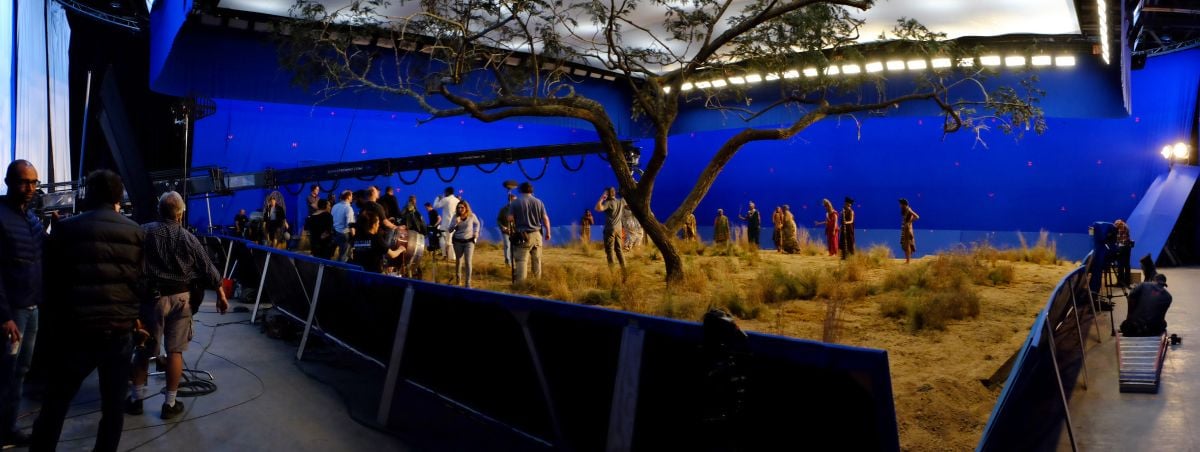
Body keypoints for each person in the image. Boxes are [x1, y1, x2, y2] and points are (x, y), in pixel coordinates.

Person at [31, 169, 143, 452]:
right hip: (118, 333)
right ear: (119, 196)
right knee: (113, 408)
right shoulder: (136, 232)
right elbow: (140, 283)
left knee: (56, 403)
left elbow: (52, 284)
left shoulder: (67, 230)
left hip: (75, 333)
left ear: (88, 194)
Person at [127, 191, 230, 422]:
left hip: (152, 300)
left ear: (159, 210)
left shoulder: (144, 231)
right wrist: (221, 293)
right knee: (175, 351)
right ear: (180, 215)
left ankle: (135, 401)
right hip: (181, 299)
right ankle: (170, 404)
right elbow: (208, 268)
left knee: (143, 349)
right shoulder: (188, 238)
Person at [0, 160, 45, 448]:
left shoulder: (31, 219)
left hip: (31, 309)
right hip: (10, 313)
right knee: (4, 374)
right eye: (23, 182)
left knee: (19, 373)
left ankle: (7, 428)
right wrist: (4, 315)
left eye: (34, 182)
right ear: (8, 182)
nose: (30, 188)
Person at [507, 182, 551, 284]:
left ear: (520, 190)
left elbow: (510, 219)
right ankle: (537, 284)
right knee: (536, 260)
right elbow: (545, 218)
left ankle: (521, 285)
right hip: (537, 235)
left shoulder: (515, 202)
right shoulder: (539, 202)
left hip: (523, 235)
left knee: (522, 260)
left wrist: (511, 213)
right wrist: (548, 232)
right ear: (531, 190)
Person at [449, 201, 481, 287]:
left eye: (462, 207)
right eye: (458, 208)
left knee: (468, 261)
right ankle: (458, 281)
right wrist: (456, 223)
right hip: (458, 241)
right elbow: (450, 230)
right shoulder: (455, 217)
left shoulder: (471, 216)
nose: (460, 209)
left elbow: (477, 223)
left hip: (469, 241)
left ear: (466, 208)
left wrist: (476, 232)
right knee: (459, 261)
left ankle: (468, 283)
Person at [594, 187, 626, 269]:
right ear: (614, 193)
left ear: (607, 194)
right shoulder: (621, 201)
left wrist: (601, 199)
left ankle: (612, 273)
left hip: (610, 229)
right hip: (619, 228)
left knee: (610, 251)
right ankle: (624, 269)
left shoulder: (608, 203)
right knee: (619, 250)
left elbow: (598, 208)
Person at [433, 187, 460, 261]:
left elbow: (435, 206)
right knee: (451, 241)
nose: (444, 193)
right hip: (454, 224)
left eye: (445, 192)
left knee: (442, 239)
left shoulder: (446, 199)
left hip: (445, 224)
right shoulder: (457, 201)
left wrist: (438, 198)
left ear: (447, 192)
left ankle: (445, 255)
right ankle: (453, 257)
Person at [331, 190, 355, 262]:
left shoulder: (335, 206)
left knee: (337, 255)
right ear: (348, 197)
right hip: (344, 234)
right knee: (343, 256)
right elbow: (350, 225)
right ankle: (341, 270)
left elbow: (332, 219)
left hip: (335, 233)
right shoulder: (348, 208)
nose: (352, 197)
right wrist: (354, 235)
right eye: (351, 196)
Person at [497, 194, 517, 267]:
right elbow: (498, 220)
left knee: (514, 247)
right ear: (510, 200)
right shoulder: (503, 210)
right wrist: (502, 227)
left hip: (515, 231)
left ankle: (514, 261)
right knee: (507, 246)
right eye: (514, 200)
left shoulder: (518, 209)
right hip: (506, 231)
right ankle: (508, 263)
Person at [1112, 218, 1133, 287]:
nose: (1115, 225)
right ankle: (1127, 283)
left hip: (1122, 247)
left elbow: (1117, 237)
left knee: (1120, 265)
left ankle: (1120, 283)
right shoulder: (1125, 225)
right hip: (1128, 247)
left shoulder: (1120, 225)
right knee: (1127, 265)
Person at [899, 198, 920, 264]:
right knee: (905, 244)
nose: (900, 205)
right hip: (905, 229)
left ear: (904, 204)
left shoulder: (908, 209)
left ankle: (908, 261)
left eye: (901, 204)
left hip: (907, 229)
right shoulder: (905, 210)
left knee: (907, 244)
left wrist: (909, 222)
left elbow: (917, 216)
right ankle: (907, 260)